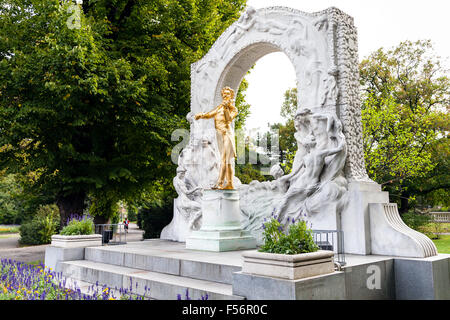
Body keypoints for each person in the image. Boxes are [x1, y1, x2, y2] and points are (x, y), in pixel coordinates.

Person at [195, 87, 238, 189]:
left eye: (227, 94)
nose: (224, 96)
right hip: (219, 135)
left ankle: (225, 183)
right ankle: (225, 183)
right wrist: (201, 115)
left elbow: (228, 120)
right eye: (223, 94)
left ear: (231, 96)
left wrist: (227, 108)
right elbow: (210, 114)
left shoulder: (233, 109)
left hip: (227, 134)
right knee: (224, 160)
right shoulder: (219, 107)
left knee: (226, 160)